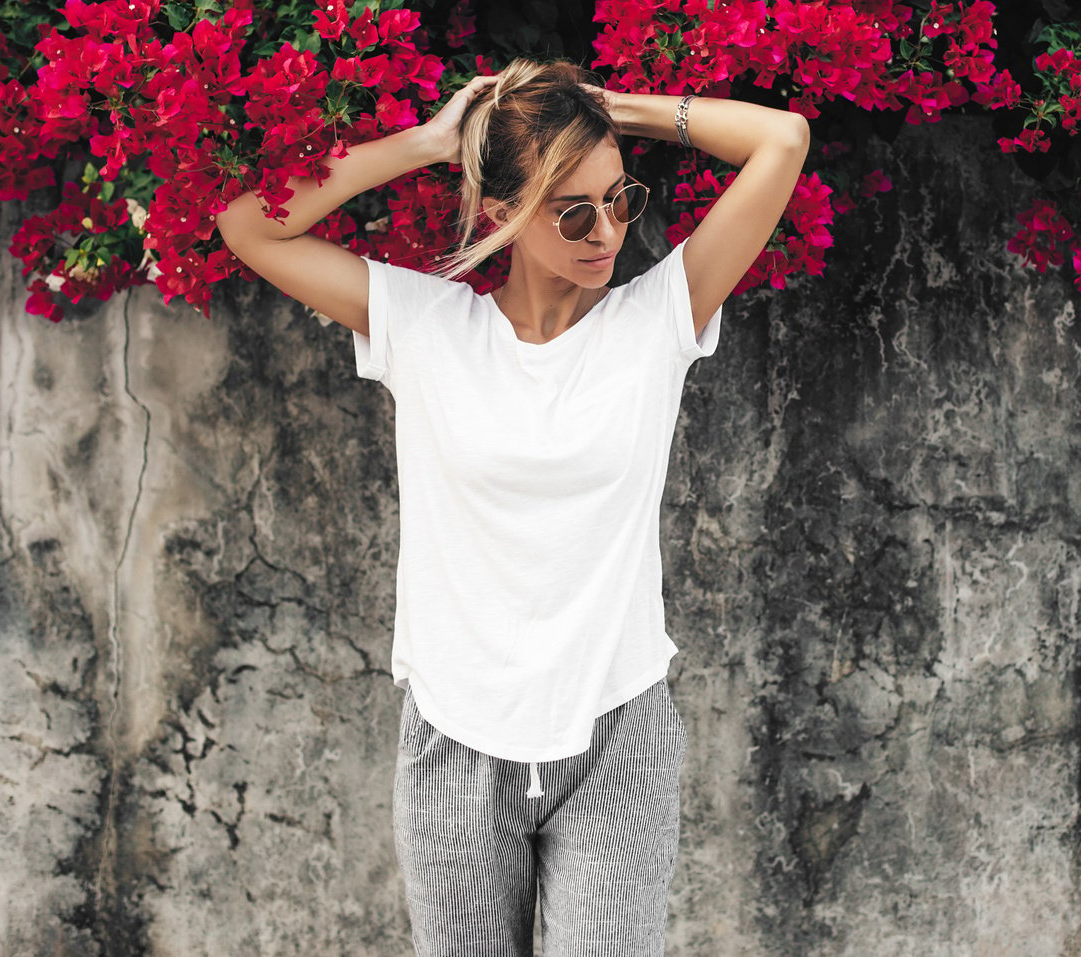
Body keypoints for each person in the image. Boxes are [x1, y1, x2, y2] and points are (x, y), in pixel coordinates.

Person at [217, 57, 809, 957]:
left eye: (620, 199)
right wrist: (426, 143)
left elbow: (783, 139)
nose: (605, 229)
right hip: (456, 738)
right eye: (571, 210)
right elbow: (248, 225)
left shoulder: (656, 321)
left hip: (618, 735)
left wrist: (612, 113)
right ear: (502, 215)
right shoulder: (424, 328)